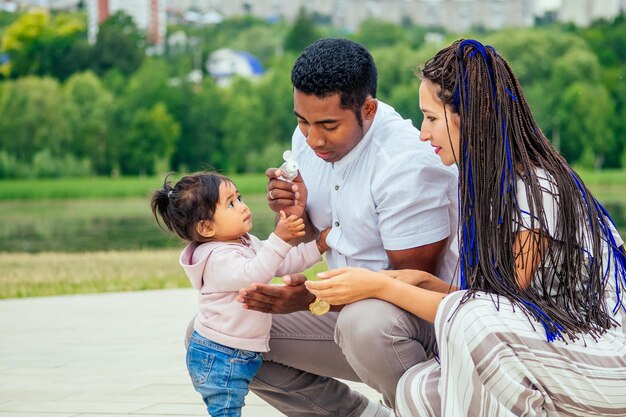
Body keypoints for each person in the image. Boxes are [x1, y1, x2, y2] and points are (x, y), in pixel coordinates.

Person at [306, 39, 626, 417]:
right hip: (546, 355)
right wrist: (418, 282)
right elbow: (487, 300)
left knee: (472, 322)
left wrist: (380, 284)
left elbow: (489, 312)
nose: (423, 134)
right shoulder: (485, 188)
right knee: (417, 390)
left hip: (602, 360)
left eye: (431, 118)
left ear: (471, 117)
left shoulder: (539, 188)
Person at [237, 38, 459, 416]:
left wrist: (313, 298)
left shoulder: (406, 164)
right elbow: (319, 234)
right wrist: (295, 215)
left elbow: (408, 283)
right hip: (343, 304)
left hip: (410, 322)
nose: (313, 138)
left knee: (365, 326)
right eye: (302, 121)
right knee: (223, 333)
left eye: (327, 125)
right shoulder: (309, 140)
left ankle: (429, 410)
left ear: (368, 110)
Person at [150, 171, 329, 417]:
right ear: (206, 227)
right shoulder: (216, 257)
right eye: (231, 204)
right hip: (218, 355)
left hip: (237, 351)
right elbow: (254, 273)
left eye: (240, 197)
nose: (243, 207)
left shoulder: (244, 241)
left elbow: (281, 262)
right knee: (226, 412)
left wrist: (318, 245)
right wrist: (280, 238)